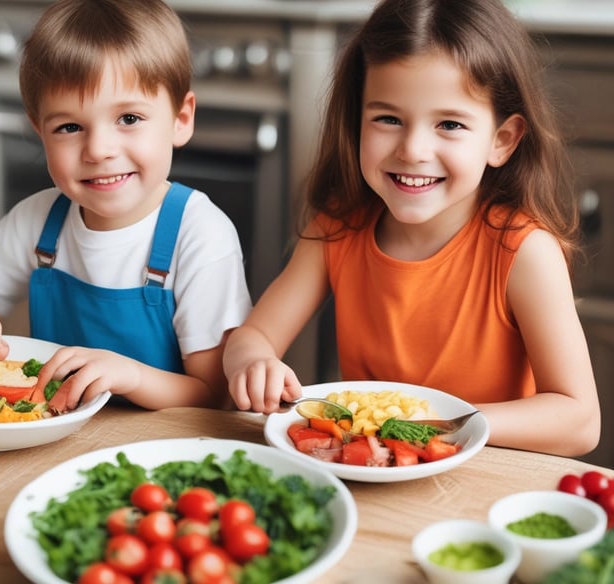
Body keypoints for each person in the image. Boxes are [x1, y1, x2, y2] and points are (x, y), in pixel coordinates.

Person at [222, 0, 600, 457]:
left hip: (488, 476)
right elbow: (253, 336)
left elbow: (580, 421)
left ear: (501, 141)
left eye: (450, 124)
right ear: (356, 122)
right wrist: (253, 361)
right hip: (370, 472)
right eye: (388, 119)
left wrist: (430, 426)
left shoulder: (524, 253)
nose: (414, 149)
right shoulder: (337, 230)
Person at [0, 0, 251, 412]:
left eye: (129, 118)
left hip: (161, 443)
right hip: (56, 438)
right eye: (70, 127)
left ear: (180, 119)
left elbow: (214, 394)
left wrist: (131, 376)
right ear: (40, 131)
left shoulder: (200, 233)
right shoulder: (37, 220)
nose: (98, 149)